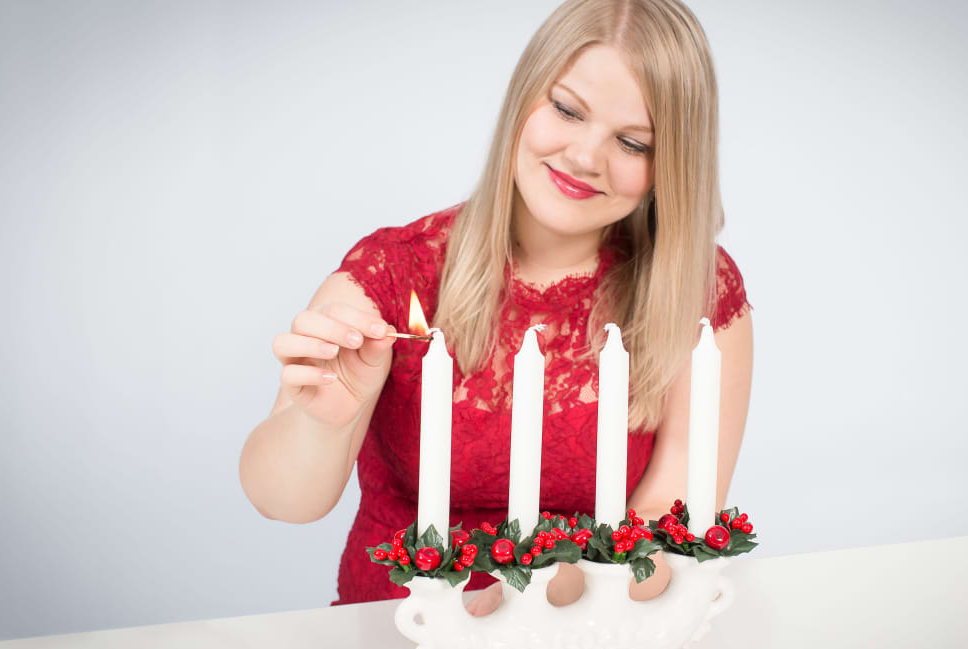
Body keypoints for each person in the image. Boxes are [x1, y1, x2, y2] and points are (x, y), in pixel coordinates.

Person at [239, 0, 753, 615]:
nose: (586, 157)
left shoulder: (697, 294)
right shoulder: (391, 273)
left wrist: (533, 599)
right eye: (566, 110)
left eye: (632, 143)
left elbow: (672, 524)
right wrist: (319, 424)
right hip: (401, 634)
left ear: (670, 164)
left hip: (589, 642)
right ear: (523, 99)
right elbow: (283, 502)